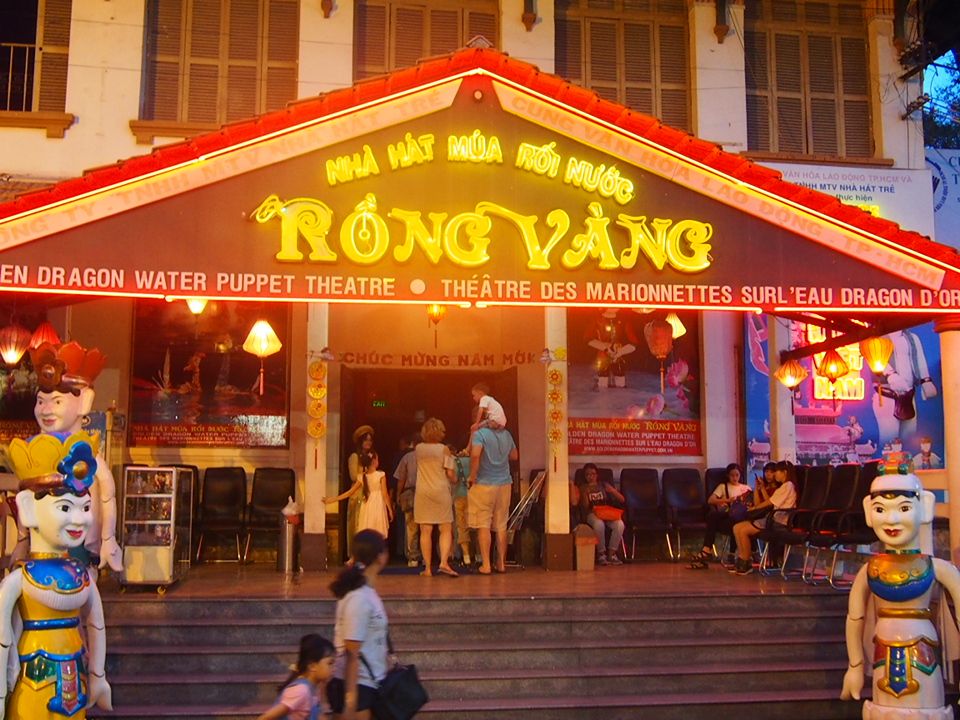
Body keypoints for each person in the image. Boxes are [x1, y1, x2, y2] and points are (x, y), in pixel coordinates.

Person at [0, 435, 112, 719]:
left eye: (85, 508)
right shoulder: (20, 579)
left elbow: (96, 625)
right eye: (65, 507)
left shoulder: (82, 575)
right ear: (27, 509)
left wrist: (98, 675)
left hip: (75, 678)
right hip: (32, 681)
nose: (80, 519)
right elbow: (2, 636)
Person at [841, 461, 960, 719]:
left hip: (923, 659)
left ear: (924, 506)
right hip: (882, 655)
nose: (892, 519)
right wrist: (855, 666)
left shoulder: (938, 568)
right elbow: (854, 619)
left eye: (904, 508)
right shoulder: (869, 570)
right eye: (880, 509)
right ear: (868, 511)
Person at [12, 341, 122, 576]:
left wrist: (108, 538)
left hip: (78, 541)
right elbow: (27, 495)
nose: (46, 410)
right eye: (41, 401)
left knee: (80, 582)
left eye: (57, 402)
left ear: (84, 402)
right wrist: (22, 538)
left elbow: (107, 495)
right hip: (40, 545)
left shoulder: (87, 453)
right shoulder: (33, 451)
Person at [327, 530, 392, 720]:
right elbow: (351, 653)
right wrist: (350, 701)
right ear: (380, 556)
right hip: (357, 685)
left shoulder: (367, 592)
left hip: (371, 682)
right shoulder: (358, 597)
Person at [872, 328, 937, 448]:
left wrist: (925, 380)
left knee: (909, 438)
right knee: (889, 439)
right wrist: (890, 374)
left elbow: (920, 358)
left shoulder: (912, 338)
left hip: (908, 396)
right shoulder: (877, 339)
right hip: (887, 395)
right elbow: (873, 356)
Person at [730, 460, 797, 576]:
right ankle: (742, 559)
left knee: (744, 530)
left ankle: (746, 562)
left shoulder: (788, 486)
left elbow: (769, 503)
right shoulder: (784, 486)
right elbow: (770, 501)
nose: (775, 474)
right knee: (737, 528)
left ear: (784, 472)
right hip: (772, 519)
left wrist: (755, 508)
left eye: (776, 471)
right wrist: (759, 490)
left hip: (778, 522)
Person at [467, 424, 518, 575]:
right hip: (504, 483)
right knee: (501, 525)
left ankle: (486, 565)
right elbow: (514, 456)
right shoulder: (507, 434)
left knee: (484, 524)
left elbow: (475, 455)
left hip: (484, 484)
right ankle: (501, 563)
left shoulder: (480, 434)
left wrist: (473, 475)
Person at [414, 418, 458, 577]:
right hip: (440, 491)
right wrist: (456, 479)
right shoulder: (444, 449)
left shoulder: (418, 449)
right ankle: (444, 562)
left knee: (425, 530)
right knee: (445, 528)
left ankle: (427, 568)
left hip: (423, 492)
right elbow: (450, 473)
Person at [257, 634, 335, 720]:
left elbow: (318, 715)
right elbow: (265, 718)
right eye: (330, 663)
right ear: (312, 666)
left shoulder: (313, 688)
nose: (334, 669)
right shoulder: (301, 691)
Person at [688, 462, 751, 569]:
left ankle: (707, 549)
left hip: (742, 516)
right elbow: (711, 500)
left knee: (716, 519)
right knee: (713, 515)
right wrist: (727, 500)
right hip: (728, 514)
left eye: (737, 475)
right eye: (732, 475)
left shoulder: (746, 488)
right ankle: (708, 550)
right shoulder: (723, 487)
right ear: (728, 475)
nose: (735, 478)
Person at [324, 452, 392, 540]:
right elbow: (385, 494)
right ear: (374, 461)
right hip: (377, 505)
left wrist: (333, 499)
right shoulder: (380, 475)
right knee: (377, 531)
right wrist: (390, 509)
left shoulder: (362, 476)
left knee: (368, 530)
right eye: (377, 459)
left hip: (367, 505)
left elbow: (349, 492)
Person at [578, 463, 625, 566]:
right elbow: (585, 506)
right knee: (599, 524)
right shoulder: (583, 487)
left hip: (605, 512)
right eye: (588, 474)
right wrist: (585, 494)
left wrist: (612, 491)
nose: (591, 477)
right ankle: (601, 554)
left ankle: (612, 554)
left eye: (593, 474)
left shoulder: (603, 485)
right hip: (592, 513)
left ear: (597, 475)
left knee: (620, 524)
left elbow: (622, 499)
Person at [586, 308, 638, 389]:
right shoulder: (597, 320)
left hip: (618, 355)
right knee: (603, 380)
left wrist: (621, 352)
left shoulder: (623, 321)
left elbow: (634, 342)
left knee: (620, 379)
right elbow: (587, 338)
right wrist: (605, 348)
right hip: (603, 355)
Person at [346, 426, 376, 558]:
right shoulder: (355, 457)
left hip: (370, 494)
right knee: (356, 525)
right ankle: (354, 555)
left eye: (370, 440)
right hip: (357, 494)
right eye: (365, 440)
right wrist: (366, 471)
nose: (368, 443)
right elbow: (354, 476)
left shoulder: (373, 456)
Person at [393, 433, 421, 568]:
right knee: (427, 527)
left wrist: (398, 495)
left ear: (413, 444)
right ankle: (428, 556)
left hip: (410, 492)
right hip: (427, 492)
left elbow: (401, 479)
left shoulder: (407, 457)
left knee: (411, 526)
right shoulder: (430, 457)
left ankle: (413, 557)